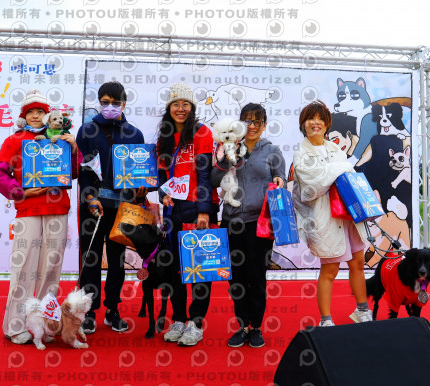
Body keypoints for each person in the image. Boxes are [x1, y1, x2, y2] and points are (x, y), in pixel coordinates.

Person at [0, 89, 78, 344]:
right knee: (24, 268)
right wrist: (20, 191)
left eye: (41, 111)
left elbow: (73, 173)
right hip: (28, 208)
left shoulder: (61, 138)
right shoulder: (15, 140)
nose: (36, 116)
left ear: (49, 115)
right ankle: (15, 325)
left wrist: (73, 149)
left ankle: (45, 323)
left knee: (51, 268)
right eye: (31, 112)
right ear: (24, 116)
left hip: (57, 207)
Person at [211, 103, 286, 348]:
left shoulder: (272, 151)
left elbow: (281, 178)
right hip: (231, 222)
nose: (251, 126)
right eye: (247, 121)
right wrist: (228, 158)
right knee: (236, 278)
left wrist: (280, 180)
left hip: (259, 224)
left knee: (257, 276)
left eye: (257, 122)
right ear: (239, 123)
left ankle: (256, 327)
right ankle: (242, 325)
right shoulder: (228, 146)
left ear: (264, 125)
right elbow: (213, 179)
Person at [292, 101, 373, 327]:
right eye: (310, 118)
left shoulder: (335, 149)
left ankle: (362, 310)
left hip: (348, 216)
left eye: (320, 119)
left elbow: (347, 178)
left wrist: (336, 171)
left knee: (358, 263)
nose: (315, 123)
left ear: (327, 124)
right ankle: (325, 320)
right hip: (325, 218)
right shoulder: (301, 154)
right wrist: (340, 168)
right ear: (303, 124)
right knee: (330, 269)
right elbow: (312, 187)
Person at [77, 81, 147, 334]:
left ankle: (112, 310)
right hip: (93, 207)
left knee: (117, 262)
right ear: (99, 103)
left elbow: (141, 172)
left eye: (115, 103)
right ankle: (88, 311)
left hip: (122, 209)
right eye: (105, 102)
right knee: (91, 260)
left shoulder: (135, 134)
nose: (110, 107)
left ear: (124, 104)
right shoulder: (86, 130)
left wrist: (142, 187)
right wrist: (89, 197)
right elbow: (83, 170)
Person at [156, 82, 219, 346]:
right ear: (169, 108)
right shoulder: (164, 137)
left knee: (200, 268)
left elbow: (204, 174)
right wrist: (163, 194)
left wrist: (204, 211)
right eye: (175, 104)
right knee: (173, 268)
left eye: (185, 104)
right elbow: (161, 176)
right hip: (174, 209)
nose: (180, 109)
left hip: (199, 207)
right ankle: (179, 318)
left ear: (192, 108)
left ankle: (196, 323)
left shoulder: (202, 132)